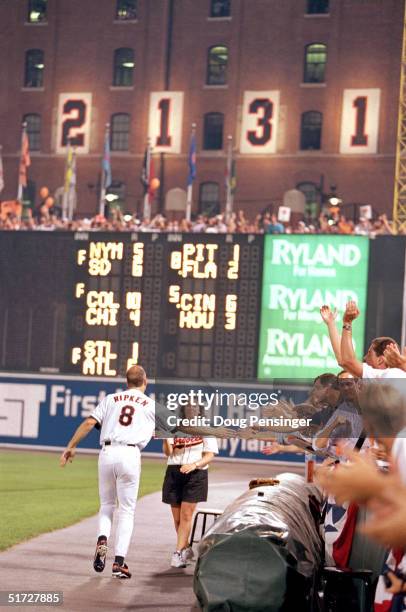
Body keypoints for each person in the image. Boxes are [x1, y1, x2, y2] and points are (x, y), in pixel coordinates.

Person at [60, 365, 177, 579]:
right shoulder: (153, 406)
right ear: (145, 382)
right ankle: (119, 563)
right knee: (127, 511)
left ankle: (103, 538)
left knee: (106, 505)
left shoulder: (111, 399)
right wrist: (169, 449)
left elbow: (89, 423)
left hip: (107, 452)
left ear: (126, 382)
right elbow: (168, 440)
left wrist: (71, 446)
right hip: (130, 455)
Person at [162, 403, 218, 568]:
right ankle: (185, 548)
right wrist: (166, 438)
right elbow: (168, 452)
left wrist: (194, 465)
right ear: (183, 410)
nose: (192, 410)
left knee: (186, 516)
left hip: (196, 473)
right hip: (174, 471)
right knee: (178, 519)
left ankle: (177, 554)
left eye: (195, 407)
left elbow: (209, 455)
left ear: (200, 410)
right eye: (188, 407)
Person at [340, 300, 406, 379]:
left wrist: (347, 322)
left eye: (369, 354)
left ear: (380, 360)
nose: (364, 358)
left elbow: (348, 362)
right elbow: (345, 360)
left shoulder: (389, 376)